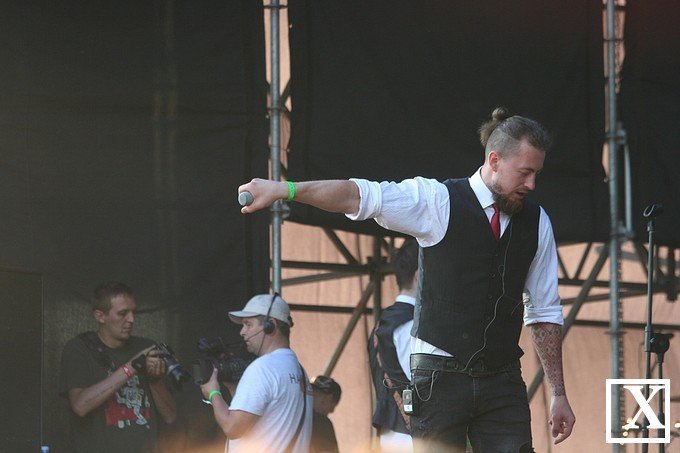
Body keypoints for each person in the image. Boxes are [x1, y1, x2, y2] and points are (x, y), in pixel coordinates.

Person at [238, 107, 576, 452]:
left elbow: (544, 313)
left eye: (537, 174)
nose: (532, 185)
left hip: (502, 378)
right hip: (440, 378)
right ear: (494, 160)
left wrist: (559, 393)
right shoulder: (437, 200)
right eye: (525, 173)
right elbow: (358, 196)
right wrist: (285, 189)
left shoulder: (537, 222)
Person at [59, 281, 177, 453]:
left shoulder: (146, 347)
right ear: (100, 316)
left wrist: (155, 380)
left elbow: (170, 416)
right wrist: (132, 367)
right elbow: (80, 405)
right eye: (123, 313)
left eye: (133, 312)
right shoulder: (79, 348)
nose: (131, 319)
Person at [200, 293, 313, 452]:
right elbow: (268, 419)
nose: (242, 332)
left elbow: (232, 428)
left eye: (248, 324)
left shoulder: (263, 368)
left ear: (270, 325)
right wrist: (234, 389)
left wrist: (213, 393)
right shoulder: (299, 370)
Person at [368, 238, 418, 452]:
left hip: (391, 435)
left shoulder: (382, 323)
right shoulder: (412, 325)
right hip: (414, 439)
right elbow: (422, 387)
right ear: (419, 276)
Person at [310, 375, 342, 453]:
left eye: (314, 392)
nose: (310, 395)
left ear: (327, 399)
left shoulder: (295, 415)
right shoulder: (322, 422)